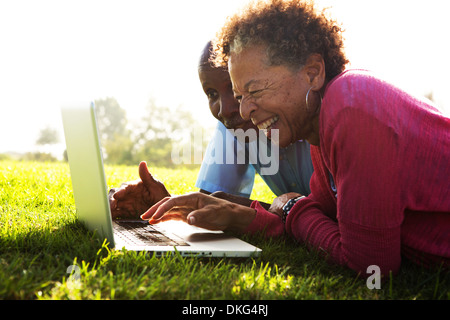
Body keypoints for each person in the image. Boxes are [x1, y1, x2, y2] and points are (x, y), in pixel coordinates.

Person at [142, 0, 450, 277]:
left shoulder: (352, 106)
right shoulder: (320, 131)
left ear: (313, 73)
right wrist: (256, 214)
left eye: (255, 91)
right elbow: (317, 220)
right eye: (240, 95)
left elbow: (371, 267)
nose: (245, 110)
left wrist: (292, 209)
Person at [109, 41, 314, 219]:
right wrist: (167, 205)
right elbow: (211, 203)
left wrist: (283, 210)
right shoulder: (235, 127)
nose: (225, 109)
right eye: (212, 93)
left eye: (236, 89)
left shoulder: (324, 118)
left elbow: (338, 218)